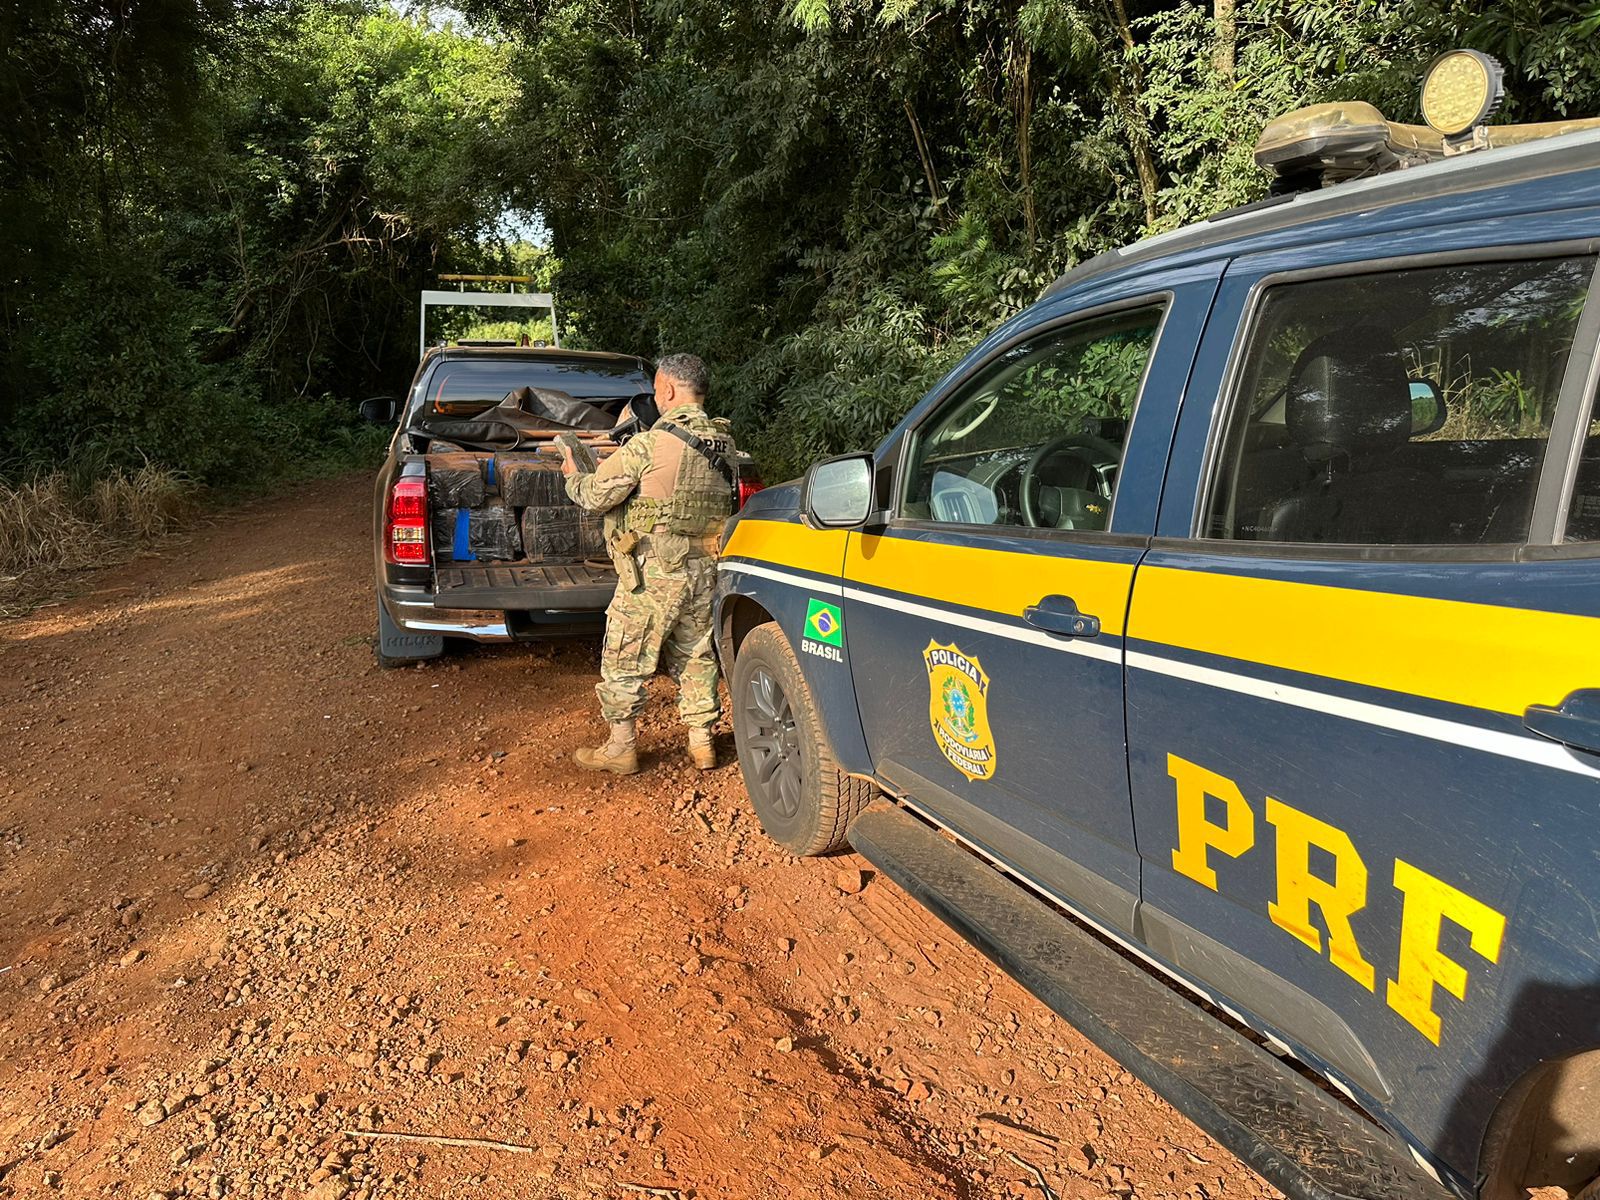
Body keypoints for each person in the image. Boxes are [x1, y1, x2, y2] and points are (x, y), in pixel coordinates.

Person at [558, 353, 736, 775]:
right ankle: (702, 743)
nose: (655, 397)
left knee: (625, 655)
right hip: (705, 567)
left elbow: (597, 496)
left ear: (669, 390)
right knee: (696, 654)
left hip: (655, 571)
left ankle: (621, 748)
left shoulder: (650, 443)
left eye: (657, 390)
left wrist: (571, 473)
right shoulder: (724, 442)